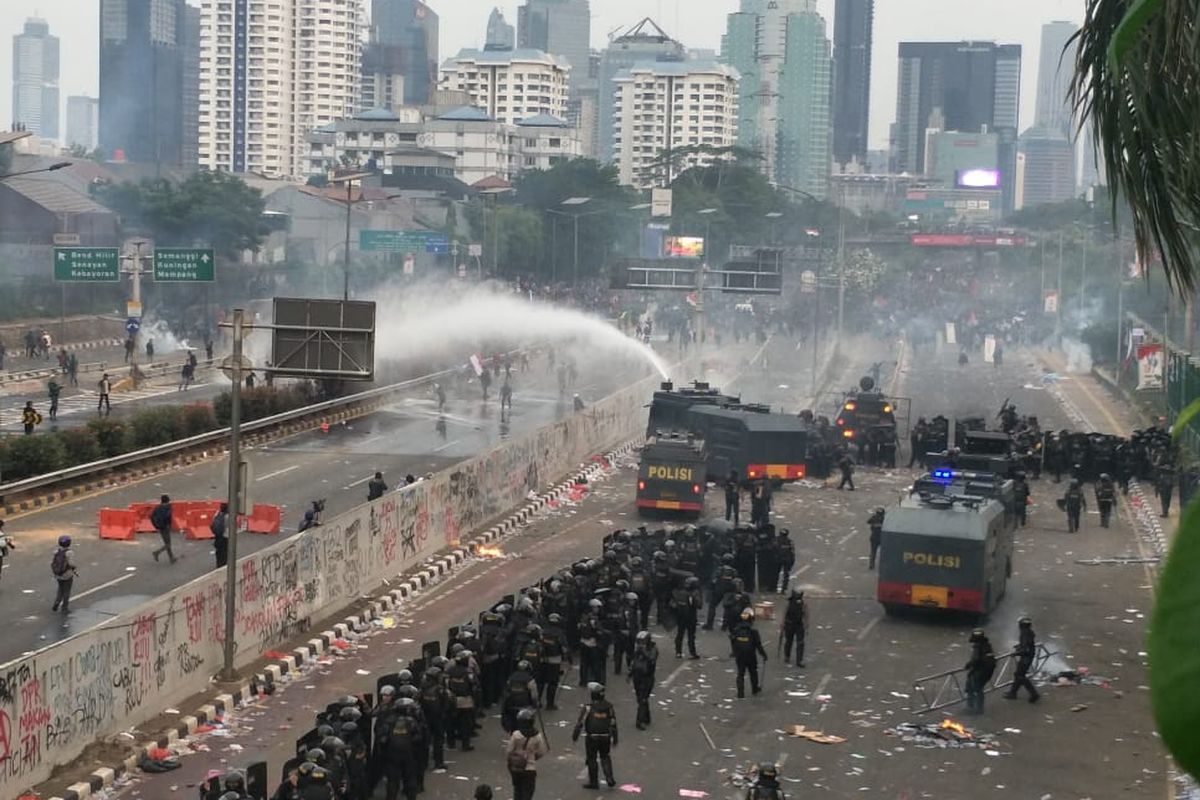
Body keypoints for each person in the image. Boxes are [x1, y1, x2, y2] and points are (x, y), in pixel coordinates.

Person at [572, 682, 617, 789]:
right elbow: (613, 723)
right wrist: (615, 738)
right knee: (605, 756)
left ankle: (593, 782)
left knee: (592, 758)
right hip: (606, 737)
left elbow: (580, 723)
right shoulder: (609, 707)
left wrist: (575, 736)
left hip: (592, 737)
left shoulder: (588, 708)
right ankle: (609, 778)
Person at [506, 707, 548, 800]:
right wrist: (532, 758)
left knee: (517, 792)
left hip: (516, 769)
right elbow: (541, 752)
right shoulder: (537, 736)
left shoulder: (516, 735)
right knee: (527, 794)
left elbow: (509, 751)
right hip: (530, 769)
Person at [730, 608, 768, 698]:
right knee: (753, 672)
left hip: (740, 655)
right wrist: (764, 655)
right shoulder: (753, 632)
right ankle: (754, 689)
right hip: (750, 655)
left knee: (740, 673)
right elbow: (758, 645)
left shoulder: (736, 630)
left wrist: (734, 652)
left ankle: (740, 693)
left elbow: (733, 641)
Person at [1003, 616, 1040, 703]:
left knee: (1020, 676)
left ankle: (1033, 693)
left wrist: (1016, 653)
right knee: (1018, 675)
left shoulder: (1025, 633)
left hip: (1026, 658)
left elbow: (1026, 649)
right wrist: (1019, 646)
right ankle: (1013, 693)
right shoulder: (1028, 632)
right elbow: (1027, 645)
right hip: (1028, 656)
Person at [628, 631, 657, 729]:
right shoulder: (637, 650)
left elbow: (652, 659)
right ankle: (647, 717)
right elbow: (633, 662)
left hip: (647, 677)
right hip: (637, 677)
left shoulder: (653, 648)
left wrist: (643, 652)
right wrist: (629, 674)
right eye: (639, 641)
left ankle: (639, 721)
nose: (640, 644)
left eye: (643, 641)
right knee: (640, 699)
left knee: (643, 699)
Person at [964, 628, 996, 715]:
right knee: (973, 687)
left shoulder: (978, 646)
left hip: (981, 670)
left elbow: (976, 660)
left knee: (976, 688)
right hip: (987, 670)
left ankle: (976, 709)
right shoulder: (986, 645)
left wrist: (969, 665)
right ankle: (971, 707)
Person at [673, 577, 702, 659]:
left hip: (681, 617)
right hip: (691, 617)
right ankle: (692, 653)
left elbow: (674, 604)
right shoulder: (695, 593)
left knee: (680, 634)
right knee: (691, 636)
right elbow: (699, 605)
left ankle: (678, 652)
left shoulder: (680, 592)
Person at [782, 589, 808, 668]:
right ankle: (794, 659)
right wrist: (806, 624)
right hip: (794, 624)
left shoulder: (791, 602)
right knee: (794, 642)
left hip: (793, 624)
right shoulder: (801, 603)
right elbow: (806, 613)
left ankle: (794, 659)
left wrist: (782, 623)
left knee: (793, 642)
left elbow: (806, 613)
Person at [51, 534, 76, 613]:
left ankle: (57, 602)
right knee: (66, 591)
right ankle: (64, 607)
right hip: (67, 575)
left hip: (58, 574)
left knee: (60, 589)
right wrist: (74, 567)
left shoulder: (56, 552)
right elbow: (71, 564)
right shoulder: (69, 553)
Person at [151, 494, 177, 564]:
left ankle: (171, 558)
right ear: (168, 500)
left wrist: (156, 526)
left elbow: (151, 516)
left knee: (167, 542)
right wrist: (169, 526)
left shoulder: (157, 508)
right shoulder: (168, 508)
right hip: (165, 527)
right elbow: (168, 517)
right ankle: (157, 552)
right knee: (168, 544)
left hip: (159, 527)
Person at [211, 502, 229, 568]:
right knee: (224, 551)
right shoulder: (228, 516)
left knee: (218, 551)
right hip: (225, 536)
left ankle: (218, 564)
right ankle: (223, 565)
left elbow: (213, 523)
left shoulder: (217, 514)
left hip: (218, 536)